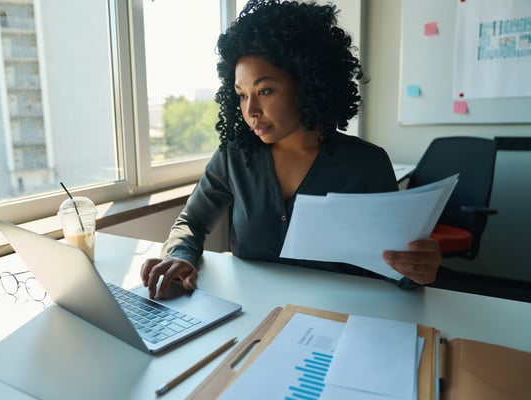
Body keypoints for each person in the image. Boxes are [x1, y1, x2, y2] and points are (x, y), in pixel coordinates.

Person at [141, 0, 441, 299]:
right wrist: (179, 256)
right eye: (242, 95)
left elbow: (393, 268)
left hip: (337, 324)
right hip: (251, 319)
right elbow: (190, 223)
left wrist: (416, 272)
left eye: (264, 91)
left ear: (308, 83)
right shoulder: (234, 158)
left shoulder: (367, 164)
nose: (251, 110)